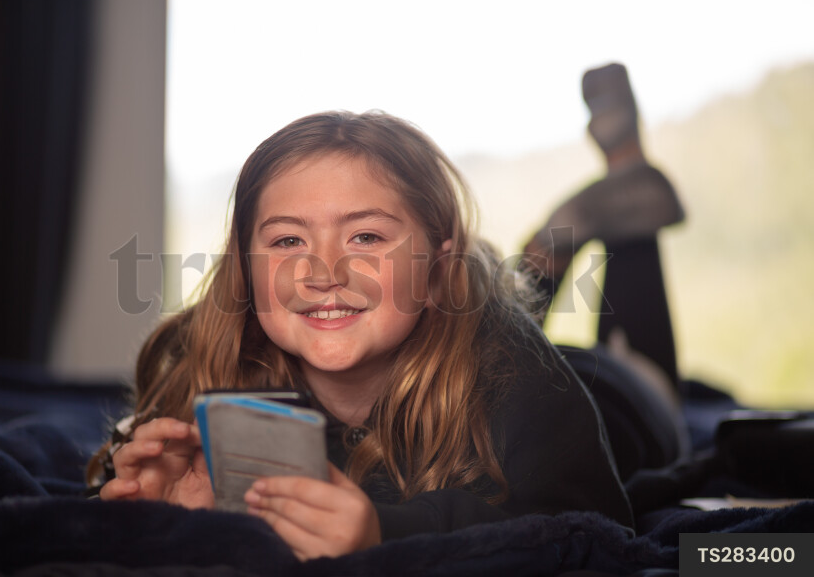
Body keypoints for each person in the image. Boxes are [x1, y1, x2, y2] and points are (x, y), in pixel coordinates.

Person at [87, 110, 634, 560]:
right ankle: (551, 250)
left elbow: (596, 534)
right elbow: (122, 470)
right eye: (286, 242)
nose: (324, 273)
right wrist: (150, 494)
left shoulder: (521, 375)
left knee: (629, 359)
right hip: (452, 321)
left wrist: (385, 535)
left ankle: (617, 191)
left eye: (366, 236)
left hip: (613, 394)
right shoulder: (214, 357)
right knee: (496, 298)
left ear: (437, 266)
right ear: (245, 269)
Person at [521, 62, 689, 482]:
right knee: (628, 238)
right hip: (637, 393)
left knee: (506, 330)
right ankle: (625, 162)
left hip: (566, 372)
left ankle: (543, 254)